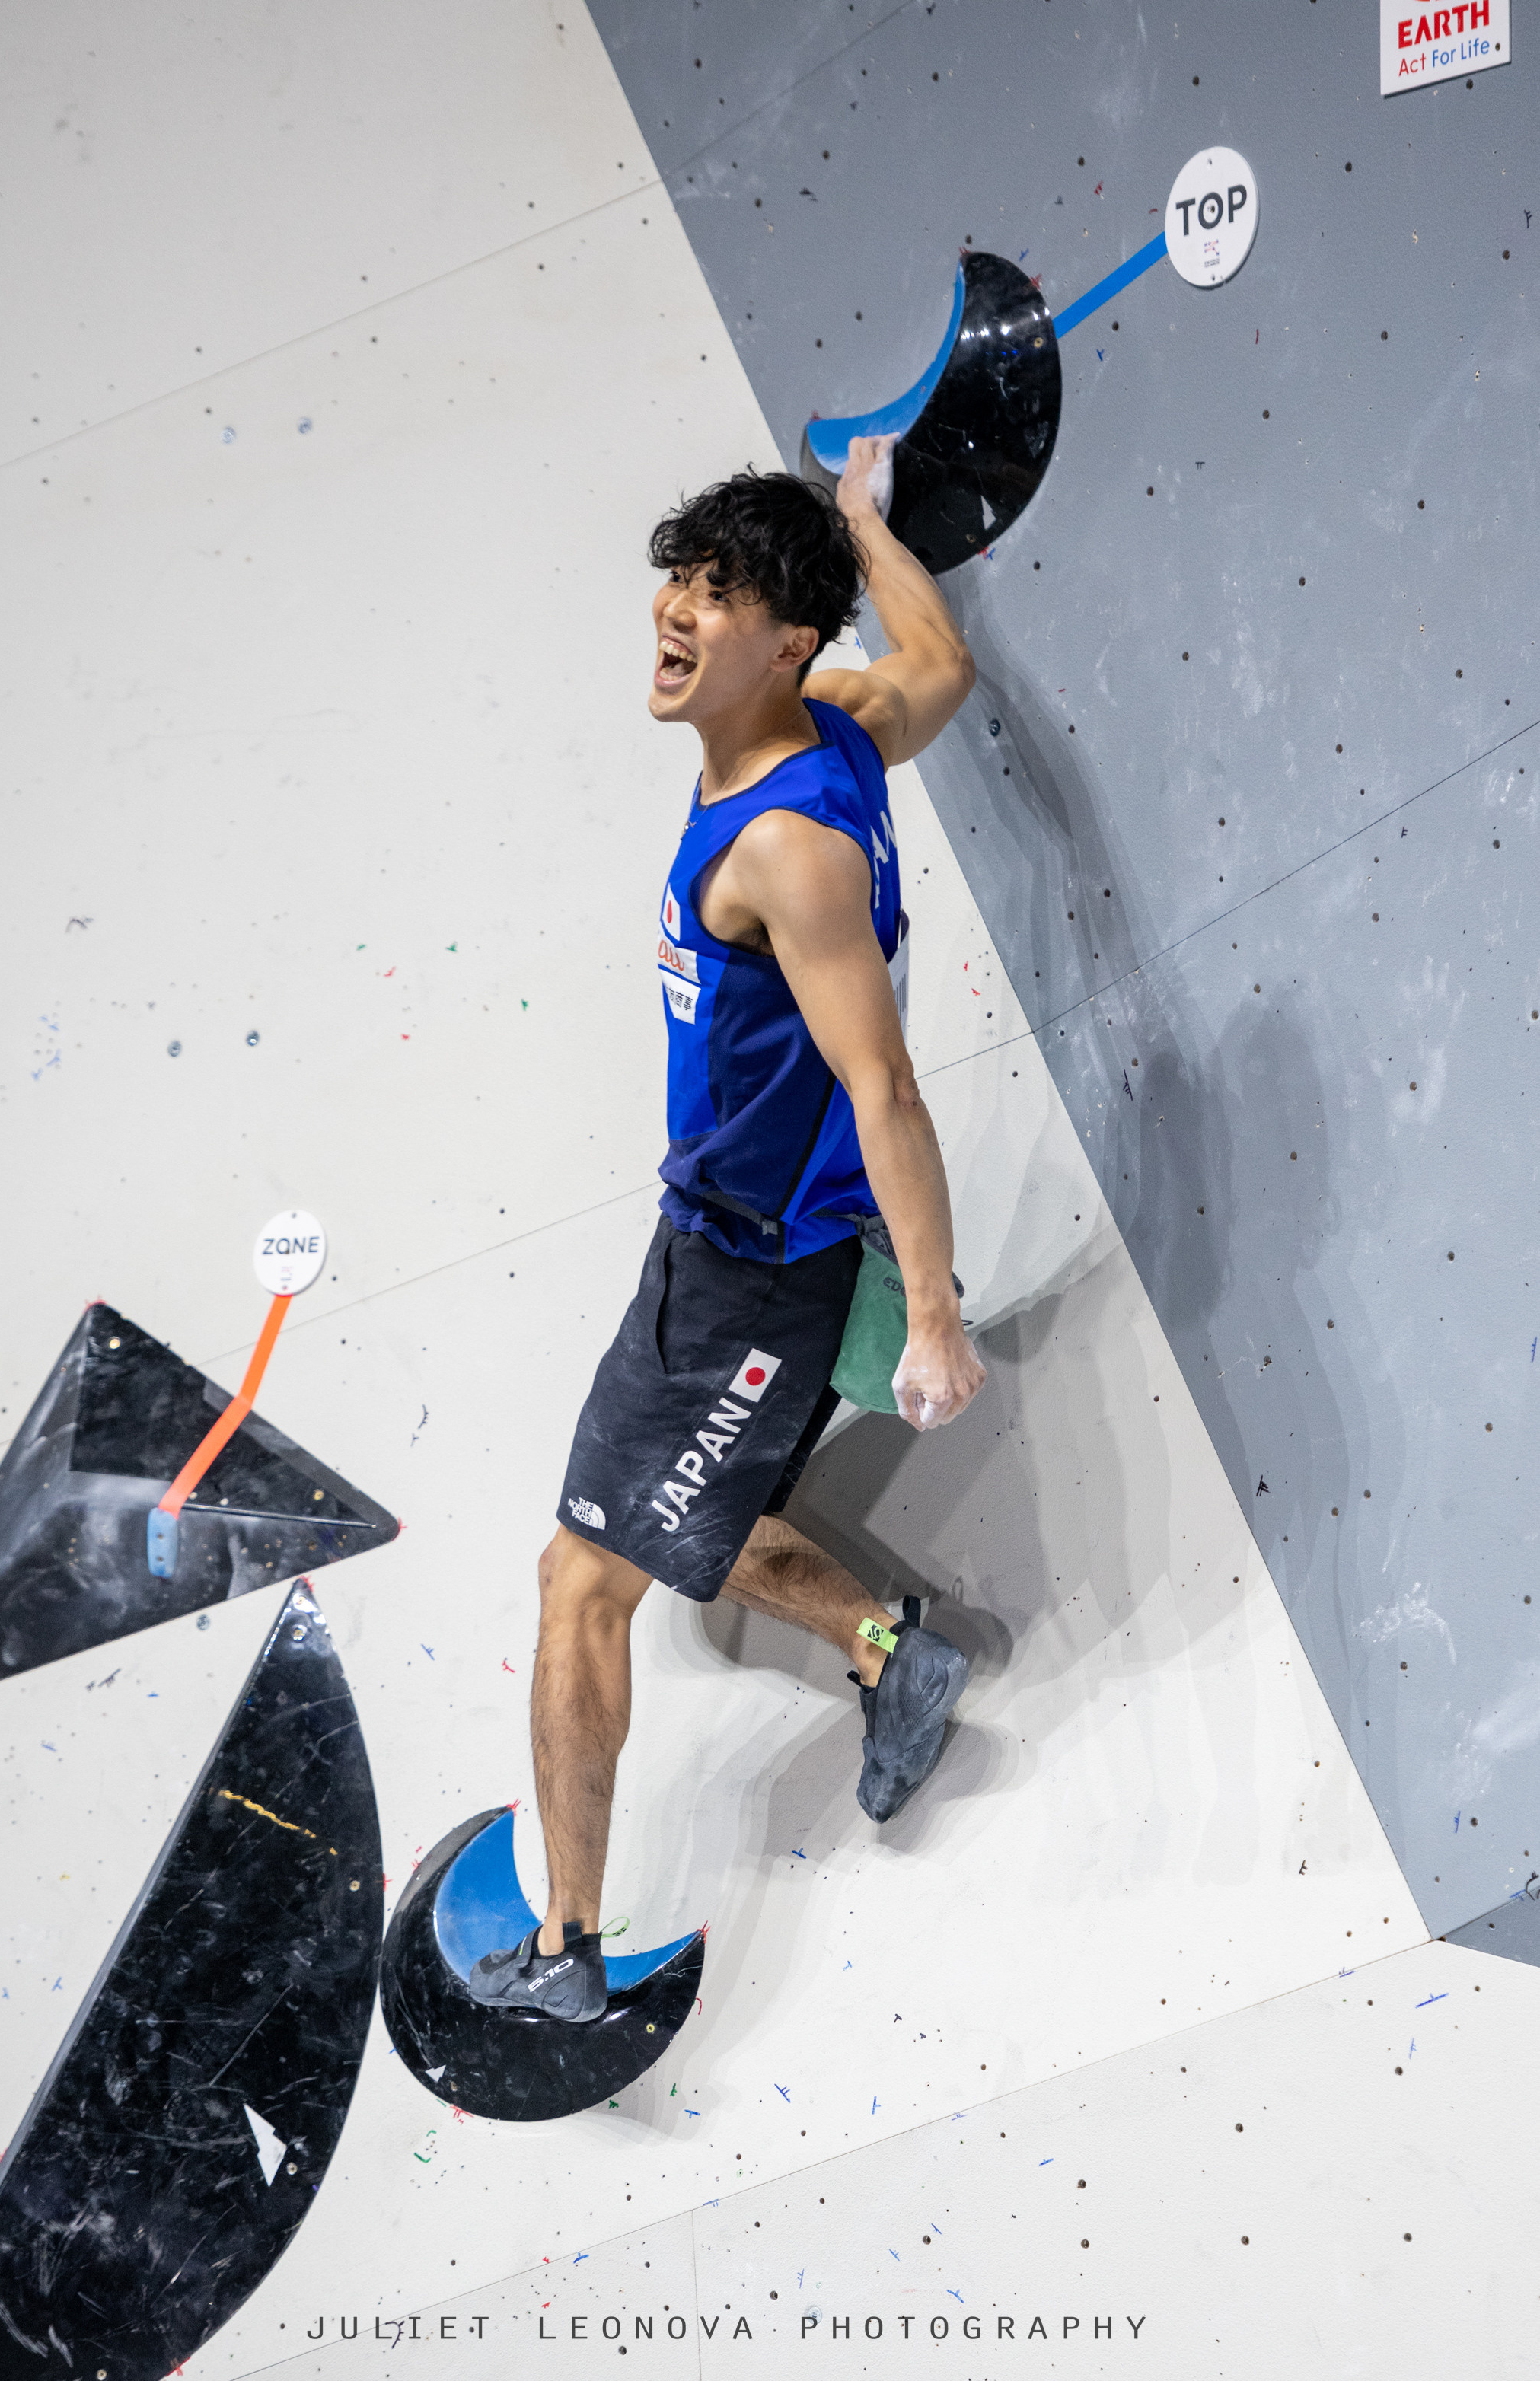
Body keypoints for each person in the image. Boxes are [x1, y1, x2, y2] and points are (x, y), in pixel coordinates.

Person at [469, 436, 985, 2022]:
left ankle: (563, 1953)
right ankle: (894, 1646)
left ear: (786, 645)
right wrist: (854, 523)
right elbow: (941, 665)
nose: (676, 615)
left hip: (755, 1269)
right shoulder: (832, 727)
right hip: (728, 1241)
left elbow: (884, 1084)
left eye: (723, 596)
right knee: (666, 1523)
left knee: (583, 1582)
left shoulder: (779, 846)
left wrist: (935, 1312)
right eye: (677, 582)